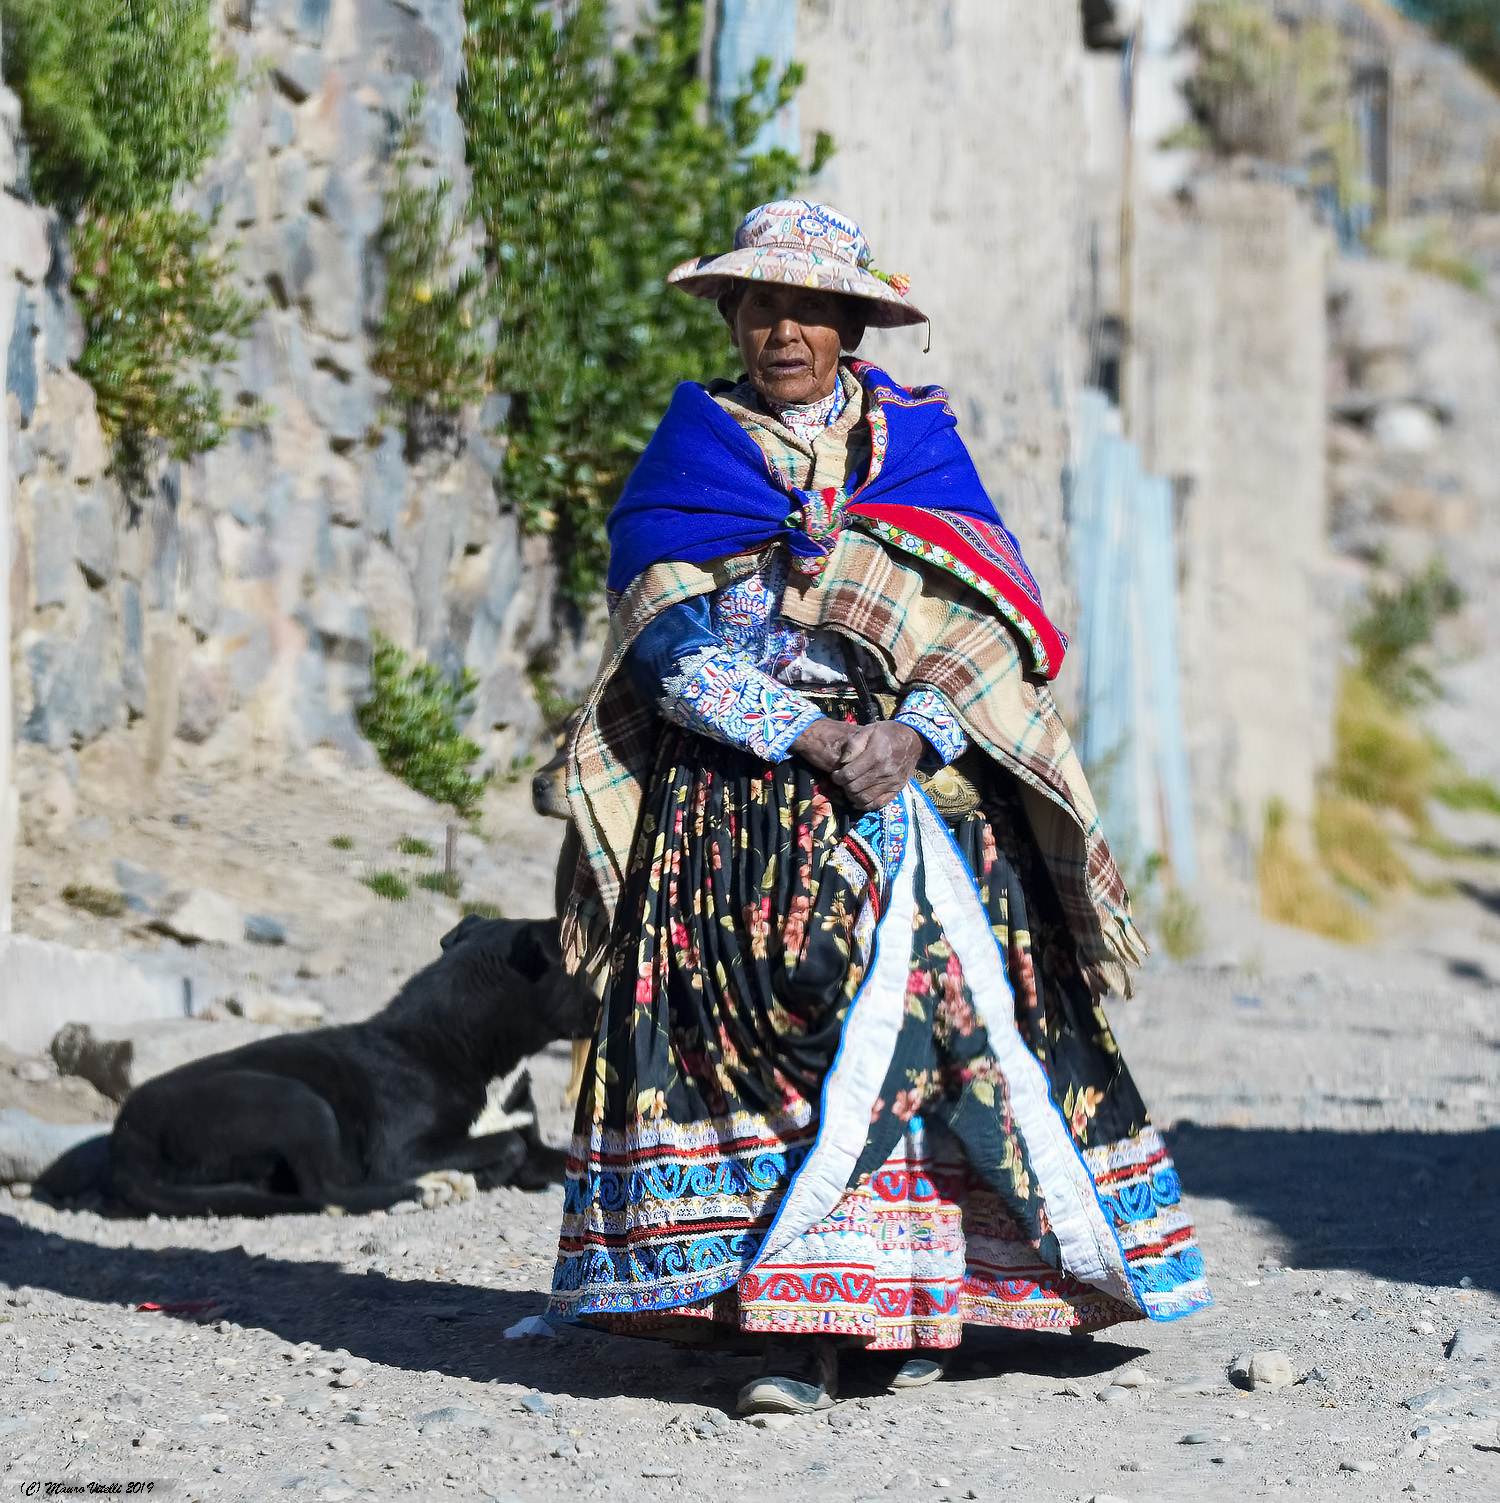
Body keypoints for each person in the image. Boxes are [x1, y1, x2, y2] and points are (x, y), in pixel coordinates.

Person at [547, 200, 1210, 1414]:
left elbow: (989, 636)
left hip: (913, 790)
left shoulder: (917, 456)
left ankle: (918, 1298)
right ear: (732, 319)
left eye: (806, 308)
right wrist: (807, 732)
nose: (780, 330)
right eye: (758, 307)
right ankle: (781, 1325)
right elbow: (664, 644)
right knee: (758, 1027)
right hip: (739, 805)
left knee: (944, 1029)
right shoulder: (690, 463)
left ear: (851, 325)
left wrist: (910, 733)